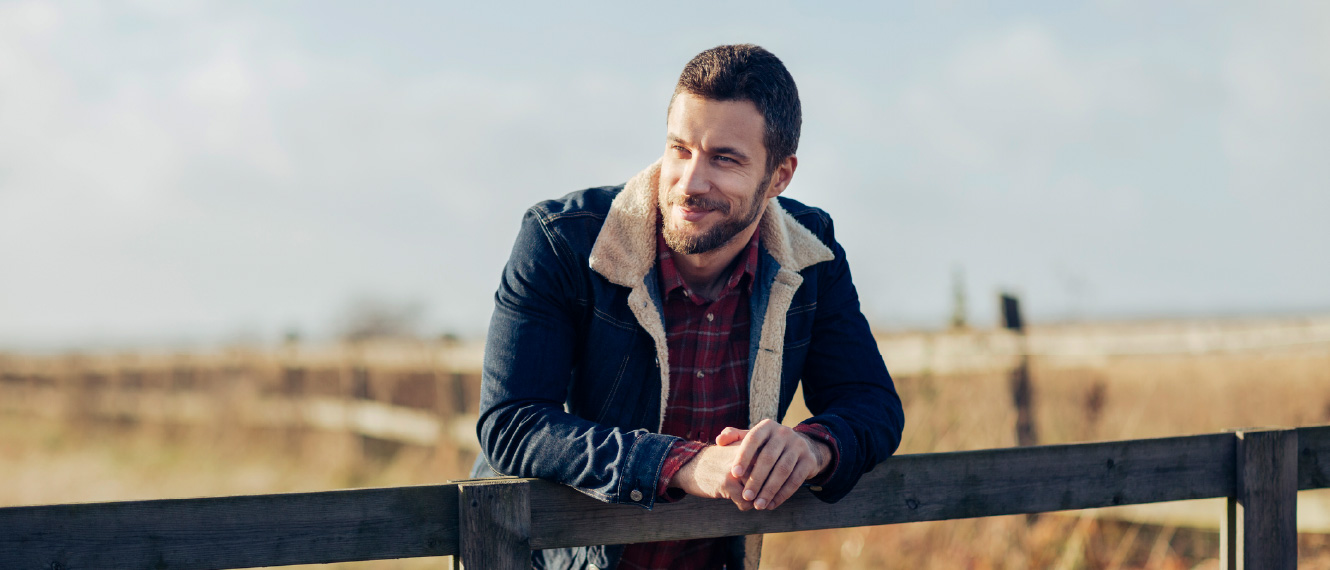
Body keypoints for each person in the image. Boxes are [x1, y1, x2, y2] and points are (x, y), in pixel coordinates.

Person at [472, 44, 904, 570]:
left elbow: (872, 404)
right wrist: (685, 463)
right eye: (680, 148)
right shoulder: (559, 241)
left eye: (724, 159)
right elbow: (511, 423)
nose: (690, 183)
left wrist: (812, 449)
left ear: (780, 176)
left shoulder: (813, 250)